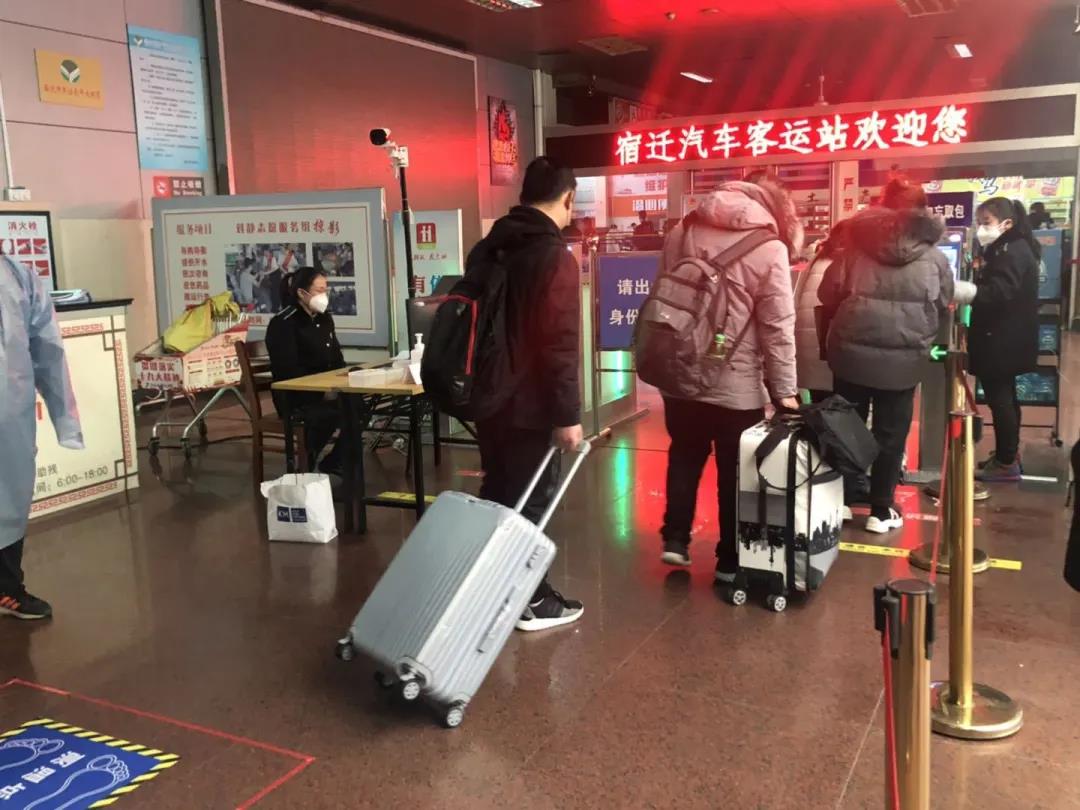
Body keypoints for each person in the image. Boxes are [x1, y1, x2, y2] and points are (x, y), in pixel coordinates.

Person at [657, 176, 803, 583]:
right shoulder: (770, 247)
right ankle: (729, 561)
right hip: (734, 384)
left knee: (684, 453)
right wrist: (784, 391)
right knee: (734, 472)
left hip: (679, 371)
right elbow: (777, 326)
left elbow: (666, 297)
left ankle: (675, 538)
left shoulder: (682, 230)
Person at [470, 157, 585, 632]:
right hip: (530, 405)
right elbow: (558, 342)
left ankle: (492, 588)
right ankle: (529, 600)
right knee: (532, 503)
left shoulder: (489, 247)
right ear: (568, 198)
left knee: (499, 494)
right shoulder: (553, 257)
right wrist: (567, 414)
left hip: (488, 396)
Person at [819, 179, 954, 534]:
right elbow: (944, 303)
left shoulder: (854, 250)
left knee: (846, 426)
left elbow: (827, 293)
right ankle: (881, 509)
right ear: (923, 211)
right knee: (891, 434)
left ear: (883, 206)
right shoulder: (936, 258)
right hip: (904, 362)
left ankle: (842, 500)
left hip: (851, 356)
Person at [0, 254, 83, 620]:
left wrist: (65, 419)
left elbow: (48, 351)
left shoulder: (19, 277)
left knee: (10, 497)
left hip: (9, 414)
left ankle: (6, 588)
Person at [954, 198, 1040, 482]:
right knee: (1006, 397)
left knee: (1000, 398)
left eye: (986, 222)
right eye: (979, 223)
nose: (982, 228)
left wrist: (969, 292)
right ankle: (1008, 454)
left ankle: (1005, 463)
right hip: (1006, 336)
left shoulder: (1012, 250)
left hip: (1002, 338)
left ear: (1007, 223)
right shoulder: (1008, 247)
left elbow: (1001, 291)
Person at [265, 266, 347, 475]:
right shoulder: (283, 323)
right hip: (295, 396)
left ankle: (335, 461)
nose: (324, 295)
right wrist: (321, 392)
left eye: (325, 290)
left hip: (326, 390)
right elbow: (287, 371)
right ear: (302, 293)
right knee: (330, 414)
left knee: (359, 406)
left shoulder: (324, 319)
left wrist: (346, 380)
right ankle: (304, 465)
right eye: (319, 290)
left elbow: (336, 359)